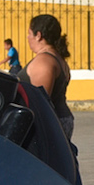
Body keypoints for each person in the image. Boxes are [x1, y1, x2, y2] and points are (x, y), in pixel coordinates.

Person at [22, 13, 75, 144]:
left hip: (50, 126)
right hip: (60, 120)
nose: (28, 38)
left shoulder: (43, 62)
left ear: (38, 35)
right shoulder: (57, 58)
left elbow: (39, 103)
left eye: (29, 33)